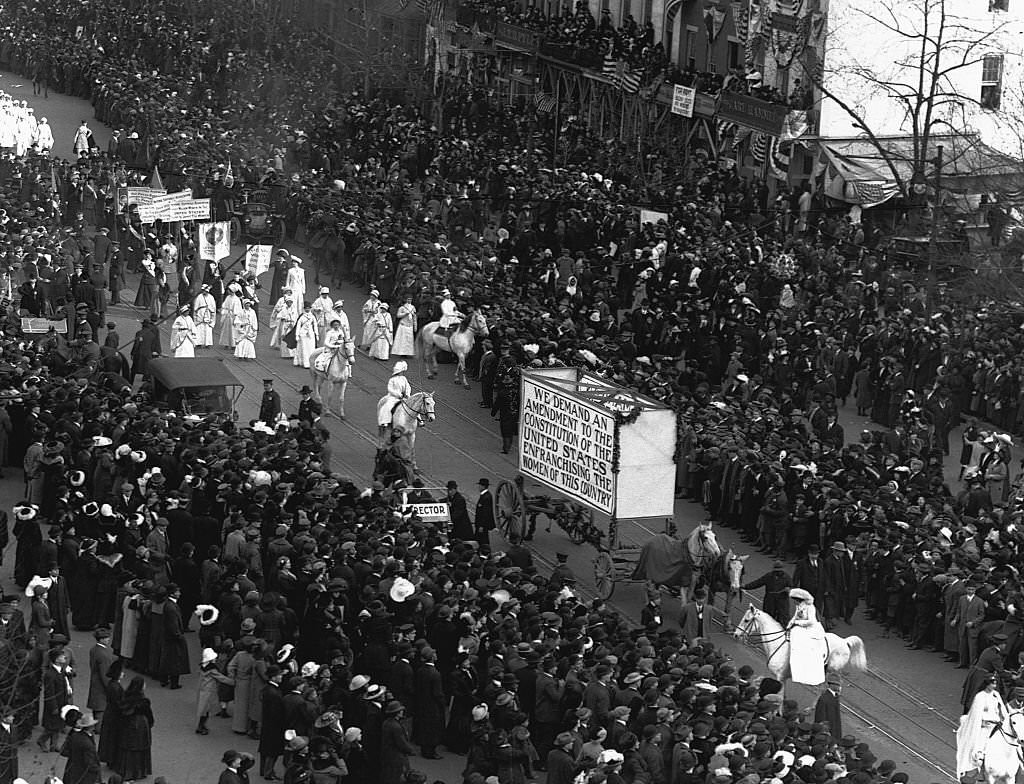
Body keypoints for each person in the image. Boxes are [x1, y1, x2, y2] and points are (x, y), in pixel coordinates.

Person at [957, 675, 1006, 780]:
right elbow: (975, 713)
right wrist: (981, 722)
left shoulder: (996, 695)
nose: (994, 685)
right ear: (987, 684)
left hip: (996, 725)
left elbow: (1001, 708)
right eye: (992, 683)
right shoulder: (980, 696)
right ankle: (980, 770)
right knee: (981, 747)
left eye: (995, 683)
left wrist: (1002, 718)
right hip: (984, 726)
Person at [114, 676, 153, 780]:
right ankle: (138, 771)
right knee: (140, 747)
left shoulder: (126, 697)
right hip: (140, 726)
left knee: (128, 747)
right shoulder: (143, 701)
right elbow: (149, 716)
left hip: (127, 725)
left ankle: (125, 770)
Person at [787, 588, 828, 685]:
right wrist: (789, 625)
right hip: (800, 627)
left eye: (794, 599)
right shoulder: (799, 606)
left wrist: (797, 623)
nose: (794, 602)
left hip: (811, 629)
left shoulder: (810, 607)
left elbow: (811, 621)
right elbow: (795, 617)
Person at [64, 711, 102, 784]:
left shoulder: (74, 736)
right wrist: (97, 769)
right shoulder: (88, 744)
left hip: (71, 770)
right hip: (84, 775)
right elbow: (90, 763)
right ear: (91, 727)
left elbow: (64, 751)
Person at [87, 626, 115, 722]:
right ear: (102, 639)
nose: (108, 639)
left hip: (95, 682)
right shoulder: (103, 654)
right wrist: (111, 687)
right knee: (101, 711)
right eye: (107, 638)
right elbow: (105, 673)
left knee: (96, 709)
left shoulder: (94, 649)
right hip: (101, 687)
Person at [377, 361, 411, 434]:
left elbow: (408, 387)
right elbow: (390, 389)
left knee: (413, 405)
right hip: (393, 397)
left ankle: (419, 420)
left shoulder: (404, 379)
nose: (402, 373)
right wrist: (398, 394)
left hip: (404, 397)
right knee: (388, 406)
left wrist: (407, 394)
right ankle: (385, 421)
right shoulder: (392, 380)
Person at [813, 673, 843, 741]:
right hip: (828, 734)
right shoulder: (824, 699)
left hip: (834, 732)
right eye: (838, 685)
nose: (840, 687)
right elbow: (820, 718)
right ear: (832, 685)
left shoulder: (835, 697)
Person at [294, 302, 319, 369]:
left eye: (309, 308)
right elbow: (298, 326)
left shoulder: (312, 316)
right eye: (306, 308)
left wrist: (317, 334)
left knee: (311, 348)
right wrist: (297, 335)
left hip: (310, 334)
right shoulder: (302, 317)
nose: (307, 309)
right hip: (303, 334)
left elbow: (315, 325)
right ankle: (304, 362)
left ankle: (311, 362)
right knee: (304, 348)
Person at [474, 478, 495, 552]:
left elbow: (486, 513)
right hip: (480, 523)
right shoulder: (485, 495)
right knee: (481, 538)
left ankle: (486, 551)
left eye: (479, 485)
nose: (478, 487)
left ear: (483, 486)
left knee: (483, 539)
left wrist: (482, 525)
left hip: (482, 524)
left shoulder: (486, 497)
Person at [0, 707, 16, 784]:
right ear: (4, 718)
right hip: (2, 766)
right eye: (10, 716)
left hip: (12, 765)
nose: (13, 717)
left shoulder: (14, 728)